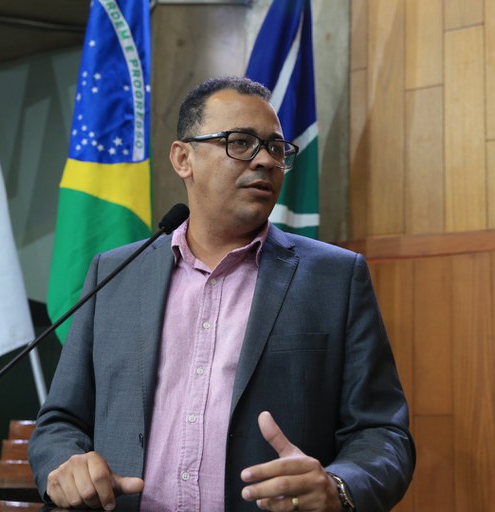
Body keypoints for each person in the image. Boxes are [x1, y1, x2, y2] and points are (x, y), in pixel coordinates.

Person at [28, 76, 415, 512]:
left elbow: (383, 434)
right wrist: (66, 466)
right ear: (183, 159)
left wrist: (339, 488)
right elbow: (59, 423)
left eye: (275, 148)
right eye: (241, 142)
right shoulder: (116, 274)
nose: (265, 160)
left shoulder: (335, 278)